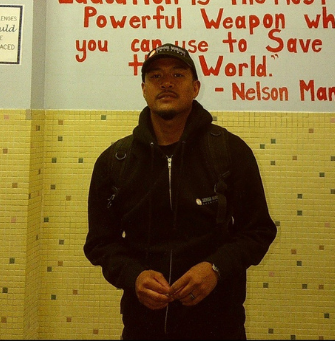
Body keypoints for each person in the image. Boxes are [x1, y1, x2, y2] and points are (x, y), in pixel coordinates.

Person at [83, 43, 276, 340]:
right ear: (144, 89)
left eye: (177, 74)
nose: (167, 83)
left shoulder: (229, 152)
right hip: (142, 328)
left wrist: (216, 268)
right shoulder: (115, 162)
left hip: (219, 327)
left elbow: (258, 231)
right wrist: (133, 276)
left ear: (195, 87)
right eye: (156, 76)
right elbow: (100, 242)